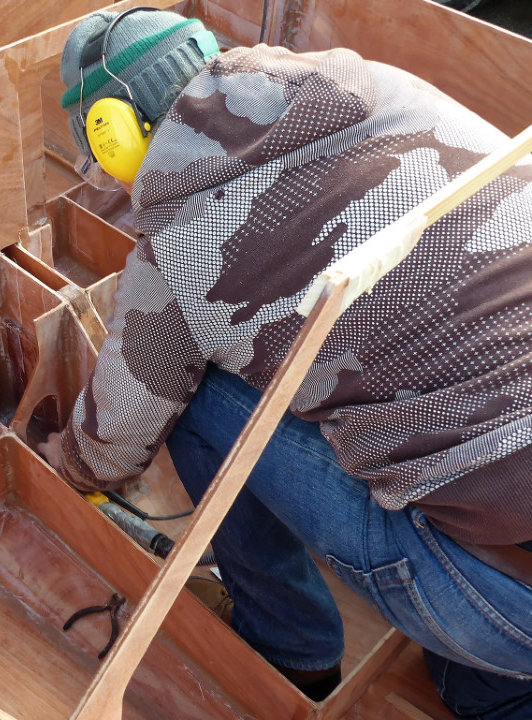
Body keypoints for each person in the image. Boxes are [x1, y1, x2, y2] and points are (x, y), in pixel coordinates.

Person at [38, 6, 532, 717]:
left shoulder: (176, 251)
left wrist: (63, 463)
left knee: (194, 392)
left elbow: (114, 443)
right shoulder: (378, 87)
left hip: (505, 597)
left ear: (111, 134)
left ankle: (291, 647)